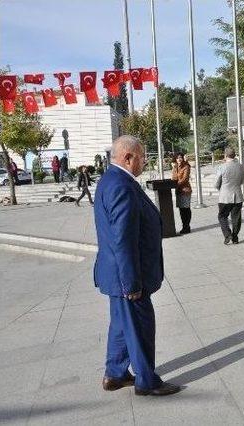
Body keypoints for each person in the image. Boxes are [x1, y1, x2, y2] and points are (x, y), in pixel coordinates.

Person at [93, 135, 180, 397]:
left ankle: (115, 374)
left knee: (121, 323)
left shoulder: (111, 179)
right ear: (128, 157)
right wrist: (131, 283)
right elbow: (123, 239)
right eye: (142, 157)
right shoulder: (122, 186)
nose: (144, 162)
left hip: (116, 273)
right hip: (128, 276)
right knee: (140, 325)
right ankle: (147, 381)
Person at [215, 146, 244, 245]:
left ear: (225, 155)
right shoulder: (240, 166)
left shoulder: (222, 167)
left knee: (222, 216)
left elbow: (217, 183)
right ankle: (235, 237)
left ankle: (227, 234)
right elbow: (241, 181)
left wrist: (221, 188)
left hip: (225, 196)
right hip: (237, 195)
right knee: (236, 218)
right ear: (234, 155)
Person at [171, 153, 192, 235]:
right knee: (181, 210)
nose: (179, 159)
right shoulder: (175, 167)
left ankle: (187, 227)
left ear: (183, 158)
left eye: (180, 157)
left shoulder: (186, 166)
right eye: (177, 158)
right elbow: (173, 178)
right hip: (179, 191)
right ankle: (185, 226)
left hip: (185, 190)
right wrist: (174, 168)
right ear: (175, 159)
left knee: (186, 209)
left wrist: (176, 184)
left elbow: (185, 179)